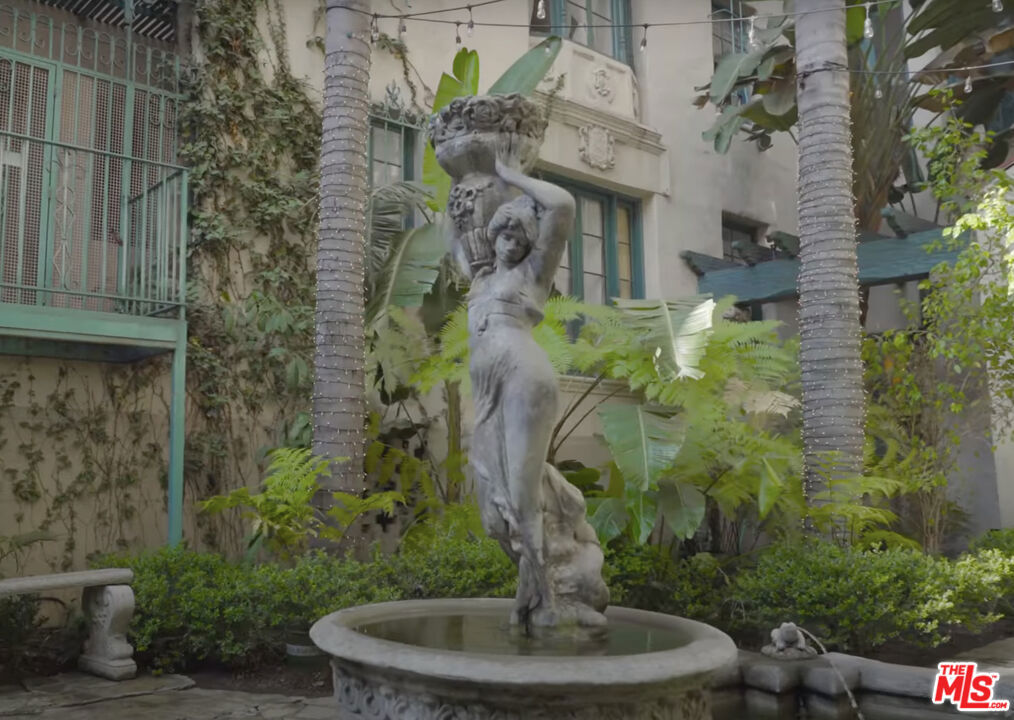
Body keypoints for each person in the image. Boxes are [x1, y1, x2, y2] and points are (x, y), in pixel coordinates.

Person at [463, 138, 580, 628]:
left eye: (520, 238)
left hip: (523, 379)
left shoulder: (535, 274)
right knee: (493, 506)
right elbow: (456, 222)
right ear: (494, 235)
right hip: (488, 393)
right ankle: (530, 585)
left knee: (520, 495)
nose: (511, 244)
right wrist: (470, 182)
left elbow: (562, 206)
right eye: (505, 235)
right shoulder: (480, 280)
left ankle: (546, 599)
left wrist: (510, 175)